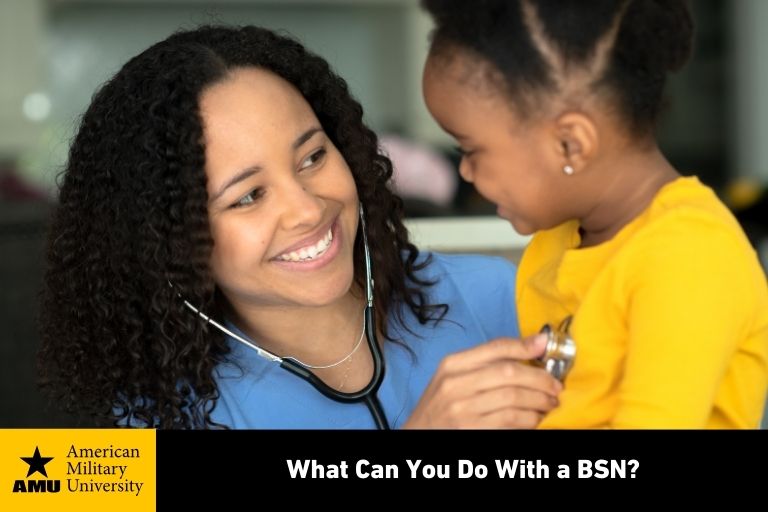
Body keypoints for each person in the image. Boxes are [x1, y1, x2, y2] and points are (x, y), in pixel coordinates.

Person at [38, 25, 562, 429]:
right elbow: (27, 483)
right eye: (248, 196)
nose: (308, 210)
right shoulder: (147, 414)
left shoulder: (501, 296)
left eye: (312, 157)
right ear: (170, 243)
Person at [421, 0, 768, 428]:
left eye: (470, 150)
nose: (465, 171)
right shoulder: (563, 238)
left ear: (570, 144)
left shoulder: (688, 257)